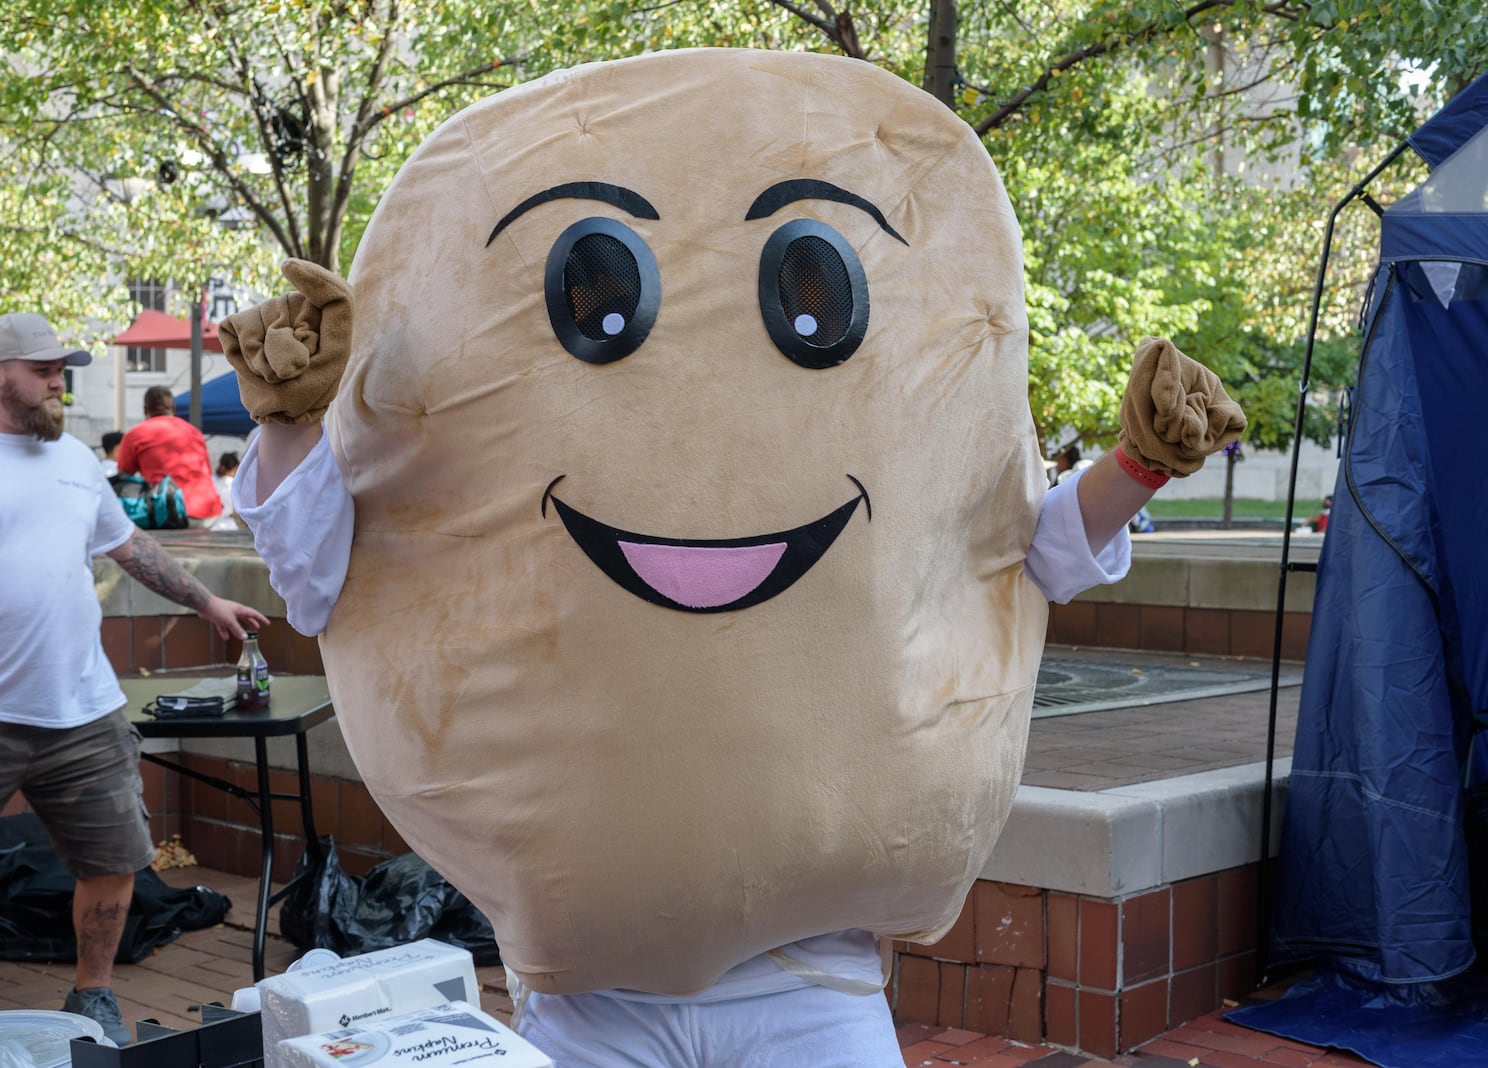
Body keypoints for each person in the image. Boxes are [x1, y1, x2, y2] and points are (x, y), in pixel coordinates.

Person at [222, 50, 1245, 1065]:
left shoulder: (898, 442)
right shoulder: (483, 451)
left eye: (813, 297)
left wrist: (1138, 466)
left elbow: (1024, 549)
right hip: (593, 991)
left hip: (813, 981)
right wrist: (286, 424)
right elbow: (324, 581)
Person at [0, 312, 270, 1046]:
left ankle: (92, 994)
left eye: (62, 368)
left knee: (115, 857)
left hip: (83, 712)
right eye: (42, 369)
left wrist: (209, 600)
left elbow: (128, 548)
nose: (57, 381)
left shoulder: (71, 459)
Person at [117, 386, 224, 526]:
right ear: (173, 408)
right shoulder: (194, 432)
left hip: (171, 513)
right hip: (210, 512)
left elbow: (124, 479)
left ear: (145, 410)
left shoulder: (135, 435)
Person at [212, 451, 242, 532]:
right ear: (236, 466)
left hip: (212, 524)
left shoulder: (212, 480)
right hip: (230, 525)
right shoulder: (235, 484)